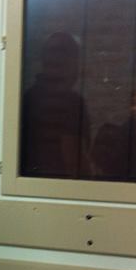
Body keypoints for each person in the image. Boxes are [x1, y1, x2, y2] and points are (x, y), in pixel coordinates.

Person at [19, 31, 90, 178]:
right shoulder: (71, 102)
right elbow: (72, 158)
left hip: (31, 185)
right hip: (61, 188)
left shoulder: (27, 97)